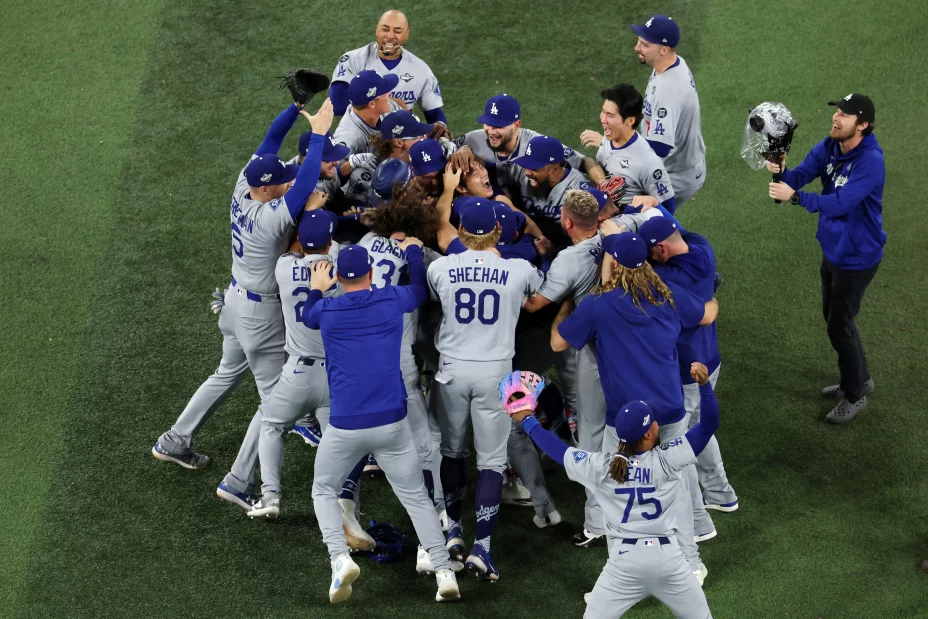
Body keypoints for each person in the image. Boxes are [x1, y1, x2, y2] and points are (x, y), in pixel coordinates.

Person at [151, 98, 333, 483]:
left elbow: (270, 142)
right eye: (281, 179)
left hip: (234, 303)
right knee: (276, 403)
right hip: (259, 317)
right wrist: (317, 135)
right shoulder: (270, 218)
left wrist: (294, 106)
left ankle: (175, 439)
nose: (287, 179)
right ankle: (239, 482)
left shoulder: (242, 188)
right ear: (265, 189)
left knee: (226, 373)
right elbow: (304, 184)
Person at [552, 231, 717, 584]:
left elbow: (557, 342)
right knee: (679, 488)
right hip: (669, 409)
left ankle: (623, 567)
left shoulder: (598, 304)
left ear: (613, 265)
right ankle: (691, 563)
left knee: (616, 489)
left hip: (625, 421)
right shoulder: (668, 294)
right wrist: (712, 297)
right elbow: (707, 314)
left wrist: (566, 304)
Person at [303, 243, 460, 604]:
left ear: (339, 277)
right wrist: (414, 255)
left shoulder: (327, 309)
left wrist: (317, 287)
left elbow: (308, 314)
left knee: (323, 489)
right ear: (371, 273)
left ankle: (339, 559)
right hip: (392, 424)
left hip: (345, 426)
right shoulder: (390, 299)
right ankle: (445, 572)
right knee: (417, 499)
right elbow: (418, 290)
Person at [507, 362, 718, 618]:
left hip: (624, 565)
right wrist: (704, 386)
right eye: (654, 421)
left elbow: (559, 452)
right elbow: (708, 425)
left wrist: (527, 419)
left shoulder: (602, 467)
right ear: (648, 435)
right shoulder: (667, 459)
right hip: (669, 562)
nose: (657, 423)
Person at [427, 205, 544, 580]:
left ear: (461, 228)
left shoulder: (440, 267)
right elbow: (538, 295)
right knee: (491, 462)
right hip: (495, 371)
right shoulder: (519, 269)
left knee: (451, 452)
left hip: (451, 370)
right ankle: (483, 549)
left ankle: (454, 530)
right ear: (497, 229)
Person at [767, 93, 885, 424]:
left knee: (839, 325)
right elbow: (800, 175)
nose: (836, 117)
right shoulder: (829, 146)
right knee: (835, 319)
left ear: (862, 125)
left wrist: (796, 198)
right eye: (837, 111)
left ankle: (855, 394)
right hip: (833, 249)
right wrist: (781, 172)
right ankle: (859, 377)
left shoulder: (870, 161)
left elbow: (841, 203)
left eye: (845, 114)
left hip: (858, 257)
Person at [639, 217, 737, 533]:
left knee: (678, 442)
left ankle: (696, 520)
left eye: (650, 251)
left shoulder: (663, 278)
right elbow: (677, 229)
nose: (648, 257)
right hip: (709, 360)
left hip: (685, 369)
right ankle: (721, 493)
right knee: (697, 428)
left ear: (661, 248)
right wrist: (654, 209)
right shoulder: (702, 248)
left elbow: (632, 271)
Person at [243, 210, 339, 520]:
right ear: (329, 242)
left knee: (272, 426)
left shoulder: (283, 268)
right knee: (336, 441)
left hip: (298, 373)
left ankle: (270, 495)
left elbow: (295, 250)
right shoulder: (339, 268)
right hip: (336, 376)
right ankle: (337, 504)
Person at [452, 94, 604, 190]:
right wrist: (462, 149)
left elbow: (584, 162)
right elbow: (446, 146)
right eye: (488, 124)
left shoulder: (536, 145)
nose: (491, 131)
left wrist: (603, 183)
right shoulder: (472, 139)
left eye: (499, 126)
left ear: (516, 125)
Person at [631, 15, 706, 205]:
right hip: (679, 166)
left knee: (638, 216)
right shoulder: (670, 63)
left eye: (645, 45)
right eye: (639, 41)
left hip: (676, 176)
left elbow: (660, 147)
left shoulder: (669, 89)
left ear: (664, 49)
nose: (637, 48)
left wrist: (619, 143)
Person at [329, 9, 448, 127]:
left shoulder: (421, 69)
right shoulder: (352, 60)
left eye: (397, 31)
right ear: (377, 30)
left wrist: (440, 125)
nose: (390, 36)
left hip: (400, 137)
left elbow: (434, 113)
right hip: (360, 134)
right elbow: (337, 104)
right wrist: (387, 104)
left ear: (406, 34)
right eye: (385, 29)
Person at [579, 83, 678, 213]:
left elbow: (668, 208)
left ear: (630, 121)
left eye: (610, 115)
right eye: (603, 111)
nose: (603, 119)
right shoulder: (610, 137)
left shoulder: (648, 163)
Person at [332, 70, 405, 156]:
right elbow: (334, 164)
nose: (390, 93)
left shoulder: (389, 107)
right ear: (372, 104)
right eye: (384, 92)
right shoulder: (349, 140)